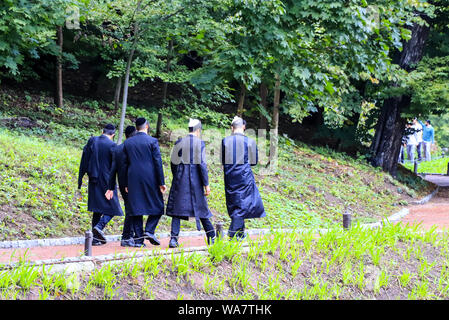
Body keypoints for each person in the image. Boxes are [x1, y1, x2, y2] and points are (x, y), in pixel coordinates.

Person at [166, 119, 215, 248]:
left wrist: (177, 174)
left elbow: (173, 162)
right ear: (198, 130)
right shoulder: (200, 143)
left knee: (177, 209)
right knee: (201, 208)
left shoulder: (179, 142)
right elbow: (202, 164)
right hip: (195, 180)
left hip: (180, 178)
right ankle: (211, 236)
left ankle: (173, 239)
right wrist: (206, 184)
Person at [122, 117, 167, 247]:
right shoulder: (152, 141)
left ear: (136, 128)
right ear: (147, 126)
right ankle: (149, 230)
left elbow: (124, 164)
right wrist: (161, 182)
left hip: (133, 178)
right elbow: (157, 162)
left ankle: (138, 241)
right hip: (150, 178)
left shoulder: (128, 142)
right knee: (158, 206)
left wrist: (125, 184)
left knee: (136, 209)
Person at [78, 124, 123, 246]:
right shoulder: (113, 146)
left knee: (97, 209)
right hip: (107, 180)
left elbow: (84, 159)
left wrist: (81, 177)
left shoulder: (92, 141)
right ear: (113, 135)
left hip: (93, 179)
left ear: (102, 131)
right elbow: (116, 167)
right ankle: (99, 227)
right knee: (114, 207)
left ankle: (94, 239)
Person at [221, 116, 266, 240]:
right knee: (243, 203)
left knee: (235, 202)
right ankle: (232, 232)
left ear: (232, 128)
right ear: (244, 127)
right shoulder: (250, 142)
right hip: (244, 175)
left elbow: (223, 160)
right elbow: (254, 161)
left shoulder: (225, 141)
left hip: (230, 175)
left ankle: (240, 234)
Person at [105, 126, 137, 247]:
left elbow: (113, 170)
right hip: (130, 184)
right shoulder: (131, 149)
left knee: (131, 209)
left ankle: (130, 235)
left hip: (122, 183)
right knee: (131, 210)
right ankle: (127, 237)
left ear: (125, 135)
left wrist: (111, 186)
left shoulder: (118, 148)